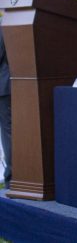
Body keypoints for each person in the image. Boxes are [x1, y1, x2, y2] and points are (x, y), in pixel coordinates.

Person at [0, 29, 10, 188]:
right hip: (11, 85)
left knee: (9, 134)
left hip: (4, 87)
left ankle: (12, 179)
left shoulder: (4, 25)